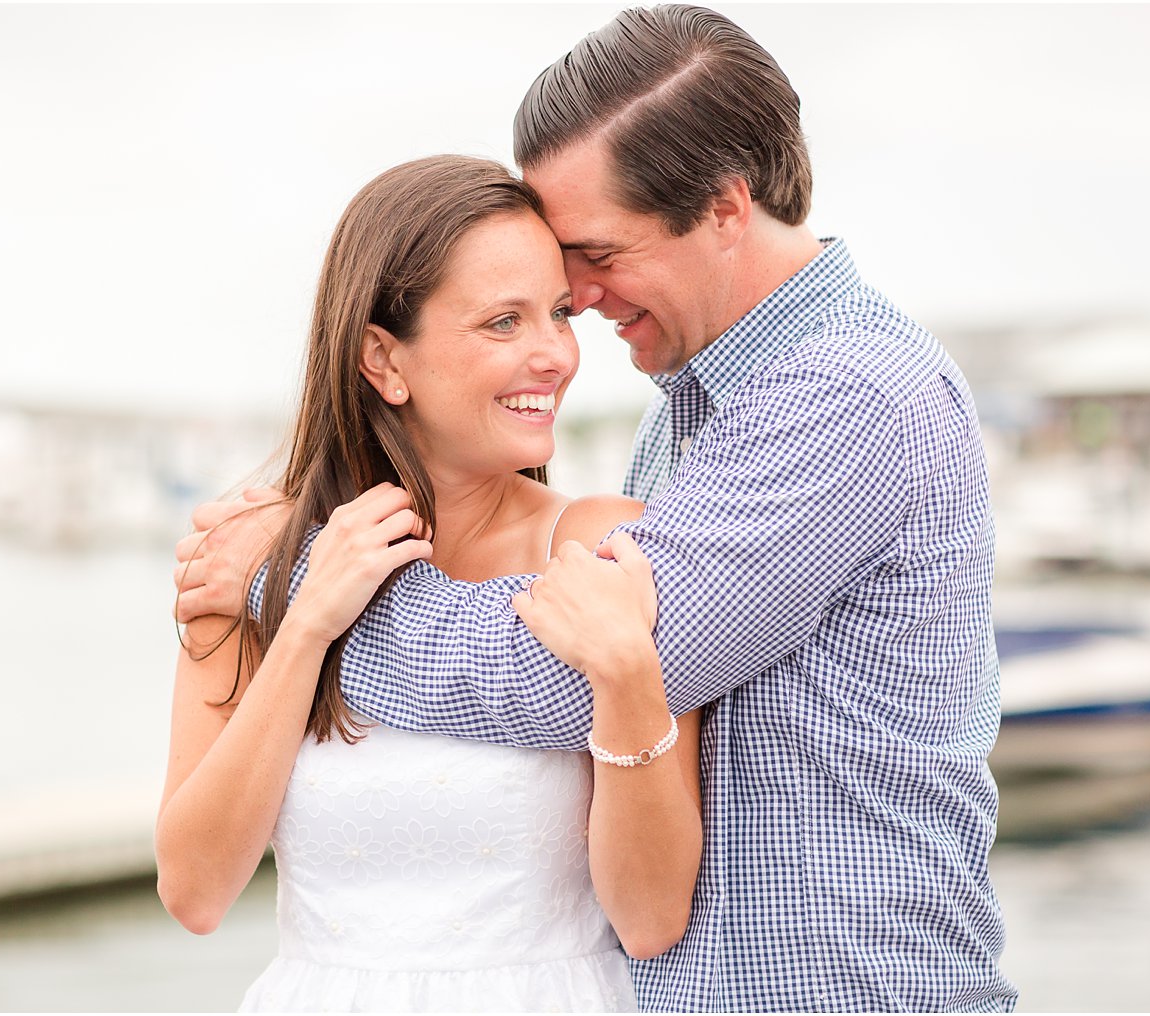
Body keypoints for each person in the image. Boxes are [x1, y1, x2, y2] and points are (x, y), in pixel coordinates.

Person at [173, 6, 1018, 1013]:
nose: (574, 303)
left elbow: (554, 673)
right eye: (513, 307)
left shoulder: (846, 397)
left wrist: (299, 588)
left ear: (721, 209)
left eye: (593, 254)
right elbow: (192, 881)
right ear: (379, 356)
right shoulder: (690, 415)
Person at [155, 154, 703, 1012]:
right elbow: (194, 891)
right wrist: (303, 623)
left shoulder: (606, 547)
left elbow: (651, 917)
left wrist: (629, 673)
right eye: (501, 323)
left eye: (558, 314)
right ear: (383, 359)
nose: (554, 354)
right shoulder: (252, 559)